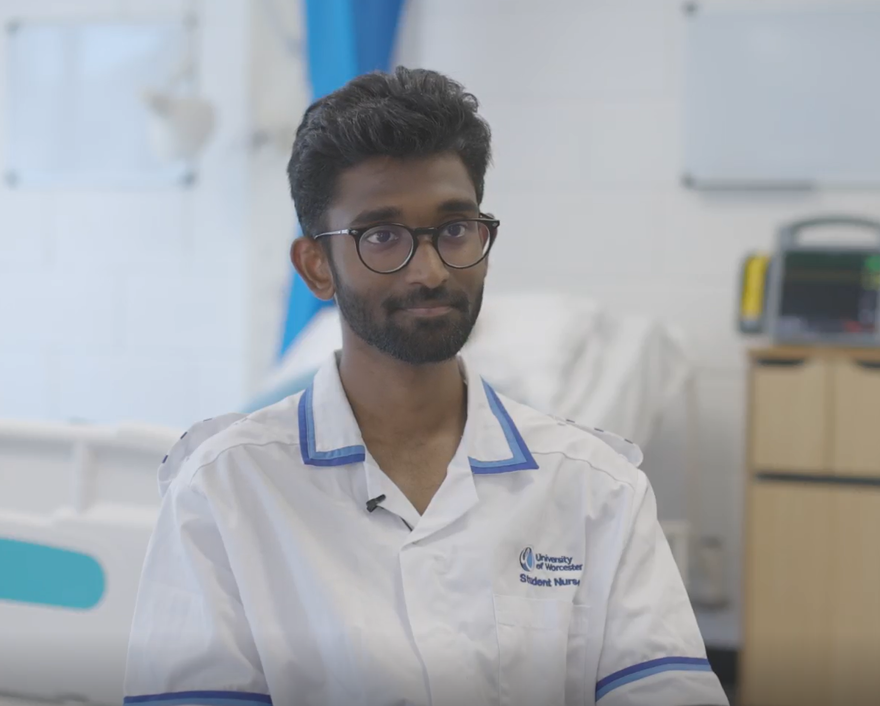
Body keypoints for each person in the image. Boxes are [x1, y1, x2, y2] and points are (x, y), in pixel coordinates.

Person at [123, 67, 728, 706]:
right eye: (382, 237)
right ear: (316, 267)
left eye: (454, 229)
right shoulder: (225, 492)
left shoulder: (595, 488)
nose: (432, 270)